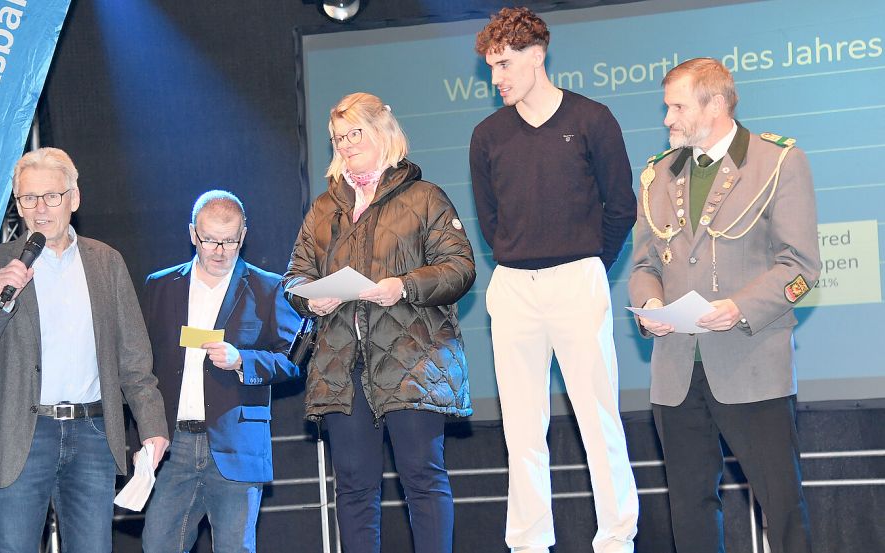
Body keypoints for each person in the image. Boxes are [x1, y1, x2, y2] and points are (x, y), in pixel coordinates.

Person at [629, 57, 819, 553]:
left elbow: (801, 269)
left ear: (715, 104)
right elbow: (645, 264)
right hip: (675, 373)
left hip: (751, 363)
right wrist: (648, 301)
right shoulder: (657, 175)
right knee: (690, 508)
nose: (667, 119)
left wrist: (739, 307)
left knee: (781, 506)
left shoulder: (776, 161)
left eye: (676, 106)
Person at [469, 7, 639, 553]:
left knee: (598, 420)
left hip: (578, 280)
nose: (496, 78)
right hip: (514, 288)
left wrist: (590, 265)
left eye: (503, 64)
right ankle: (528, 542)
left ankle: (615, 538)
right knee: (521, 429)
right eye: (491, 66)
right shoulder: (487, 135)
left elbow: (621, 208)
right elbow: (491, 220)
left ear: (537, 55)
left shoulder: (593, 119)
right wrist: (521, 262)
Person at [284, 92, 475, 553]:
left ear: (382, 133)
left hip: (413, 361)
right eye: (338, 138)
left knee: (422, 479)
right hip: (342, 367)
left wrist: (404, 286)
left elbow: (459, 267)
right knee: (353, 488)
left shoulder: (424, 197)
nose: (346, 145)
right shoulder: (323, 209)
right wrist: (311, 299)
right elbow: (295, 277)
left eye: (355, 134)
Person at [0, 147, 169, 553]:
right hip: (21, 435)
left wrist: (153, 426)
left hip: (93, 434)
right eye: (28, 198)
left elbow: (135, 360)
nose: (39, 209)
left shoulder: (106, 262)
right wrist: (1, 302)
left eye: (51, 196)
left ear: (74, 198)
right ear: (17, 203)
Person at [140, 190, 302, 553]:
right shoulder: (160, 286)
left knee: (235, 548)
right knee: (157, 545)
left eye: (229, 241)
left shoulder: (268, 287)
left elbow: (293, 359)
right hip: (173, 444)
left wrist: (243, 360)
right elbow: (140, 366)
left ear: (243, 236)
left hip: (237, 443)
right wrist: (146, 431)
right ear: (192, 234)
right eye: (210, 239)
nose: (219, 250)